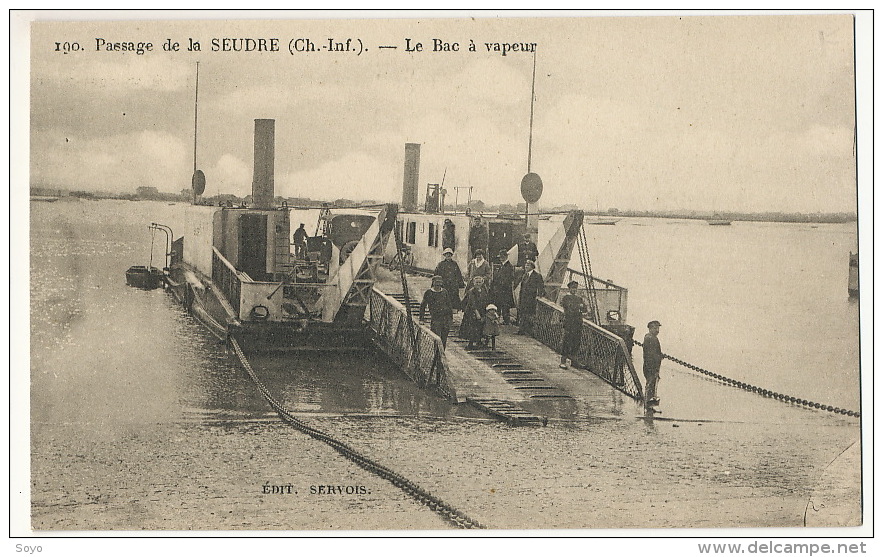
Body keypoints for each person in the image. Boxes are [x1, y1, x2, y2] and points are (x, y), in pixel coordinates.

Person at [419, 276, 454, 348]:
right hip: (436, 319)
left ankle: (441, 355)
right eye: (436, 282)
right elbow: (423, 306)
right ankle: (436, 355)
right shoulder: (428, 293)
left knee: (444, 339)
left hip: (445, 319)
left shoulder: (444, 292)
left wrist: (451, 318)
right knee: (436, 338)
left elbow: (449, 305)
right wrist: (421, 319)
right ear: (433, 283)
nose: (438, 284)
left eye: (440, 282)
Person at [559, 281, 587, 369]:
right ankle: (562, 361)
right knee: (566, 342)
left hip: (578, 323)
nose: (574, 290)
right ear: (569, 289)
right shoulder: (566, 298)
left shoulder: (579, 298)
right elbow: (570, 308)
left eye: (575, 289)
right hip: (569, 323)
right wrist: (579, 307)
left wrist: (580, 308)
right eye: (572, 289)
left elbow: (585, 309)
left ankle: (574, 361)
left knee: (576, 342)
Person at [460, 276, 489, 349]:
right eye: (476, 282)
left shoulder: (483, 290)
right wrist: (477, 313)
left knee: (480, 326)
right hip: (471, 312)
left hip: (481, 310)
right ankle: (470, 343)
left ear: (482, 283)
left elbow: (486, 300)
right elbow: (472, 303)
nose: (478, 284)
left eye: (480, 282)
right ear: (473, 283)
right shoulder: (471, 291)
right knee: (472, 328)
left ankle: (478, 341)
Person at [517, 260, 544, 335]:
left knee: (529, 314)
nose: (526, 266)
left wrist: (539, 296)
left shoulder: (537, 276)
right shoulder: (525, 275)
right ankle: (522, 330)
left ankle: (529, 330)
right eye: (526, 265)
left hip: (531, 299)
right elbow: (522, 288)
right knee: (523, 314)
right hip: (524, 298)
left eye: (528, 265)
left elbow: (541, 287)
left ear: (532, 267)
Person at [490, 249, 515, 324]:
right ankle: (498, 319)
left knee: (505, 306)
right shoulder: (502, 265)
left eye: (502, 257)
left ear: (505, 256)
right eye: (500, 257)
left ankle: (506, 320)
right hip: (499, 289)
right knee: (498, 304)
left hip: (505, 290)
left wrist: (501, 285)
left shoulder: (509, 266)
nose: (501, 258)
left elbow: (508, 279)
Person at [643, 320, 663, 406]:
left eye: (658, 328)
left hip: (650, 365)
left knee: (651, 384)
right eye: (655, 328)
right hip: (651, 366)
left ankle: (648, 402)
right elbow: (651, 354)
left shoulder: (649, 337)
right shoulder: (651, 338)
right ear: (650, 329)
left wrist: (660, 355)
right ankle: (648, 404)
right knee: (651, 384)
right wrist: (659, 358)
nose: (657, 330)